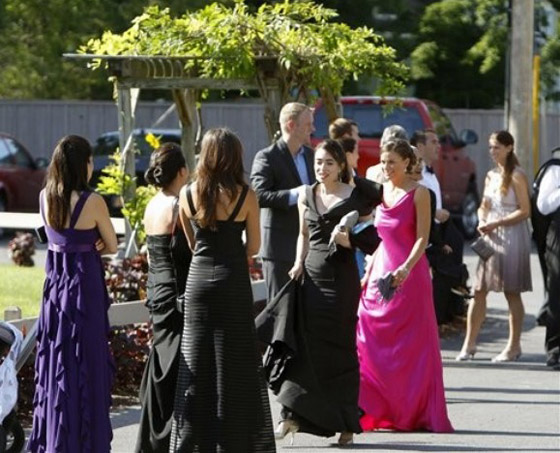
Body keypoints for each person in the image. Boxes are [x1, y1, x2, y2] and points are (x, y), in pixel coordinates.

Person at [260, 139, 382, 447]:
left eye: (328, 163)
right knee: (304, 346)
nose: (322, 168)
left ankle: (346, 422)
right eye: (318, 162)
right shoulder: (306, 194)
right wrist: (297, 262)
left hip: (341, 280)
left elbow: (371, 239)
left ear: (340, 165)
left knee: (340, 350)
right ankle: (290, 415)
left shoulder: (355, 195)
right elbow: (303, 233)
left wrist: (348, 241)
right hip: (310, 278)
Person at [169, 128, 275, 452]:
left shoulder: (187, 194)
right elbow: (253, 247)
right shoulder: (247, 195)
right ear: (235, 157)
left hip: (199, 281)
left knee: (197, 359)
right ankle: (234, 440)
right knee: (236, 362)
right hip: (233, 281)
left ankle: (196, 441)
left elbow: (192, 244)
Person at [27, 135, 118, 453]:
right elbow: (112, 244)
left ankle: (58, 440)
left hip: (55, 292)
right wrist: (94, 243)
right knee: (87, 364)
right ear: (84, 165)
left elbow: (55, 239)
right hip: (83, 290)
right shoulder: (93, 202)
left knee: (57, 362)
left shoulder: (44, 197)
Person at [357, 139, 453, 433]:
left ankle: (411, 411)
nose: (386, 167)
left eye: (392, 162)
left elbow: (423, 238)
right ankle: (377, 408)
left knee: (410, 347)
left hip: (410, 274)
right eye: (383, 161)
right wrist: (369, 269)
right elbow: (380, 238)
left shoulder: (419, 193)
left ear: (407, 163)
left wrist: (405, 269)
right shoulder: (381, 191)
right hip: (380, 271)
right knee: (368, 333)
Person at [457, 130, 532, 362]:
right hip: (490, 234)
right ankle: (469, 344)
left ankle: (513, 346)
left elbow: (525, 210)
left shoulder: (517, 175)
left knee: (511, 291)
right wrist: (481, 220)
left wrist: (497, 223)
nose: (492, 151)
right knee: (479, 289)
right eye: (490, 147)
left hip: (511, 236)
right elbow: (484, 204)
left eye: (497, 147)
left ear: (509, 148)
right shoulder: (490, 175)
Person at [135, 143, 191, 452]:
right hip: (176, 290)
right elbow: (192, 249)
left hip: (156, 287)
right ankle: (163, 438)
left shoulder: (151, 204)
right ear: (181, 171)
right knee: (174, 369)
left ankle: (154, 438)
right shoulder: (178, 205)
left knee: (162, 363)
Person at [250, 102, 315, 302]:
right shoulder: (267, 157)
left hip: (309, 246)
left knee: (305, 311)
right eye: (307, 124)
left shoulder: (311, 156)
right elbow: (259, 195)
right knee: (281, 309)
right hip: (279, 249)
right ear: (291, 125)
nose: (312, 129)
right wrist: (297, 194)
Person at [411, 129, 470, 324]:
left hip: (437, 231)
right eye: (433, 142)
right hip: (424, 234)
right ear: (420, 147)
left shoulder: (430, 172)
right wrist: (433, 213)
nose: (439, 146)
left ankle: (446, 312)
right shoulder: (416, 177)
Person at [534, 147, 560, 368]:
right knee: (557, 293)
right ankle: (555, 349)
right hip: (558, 237)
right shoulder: (554, 170)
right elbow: (543, 206)